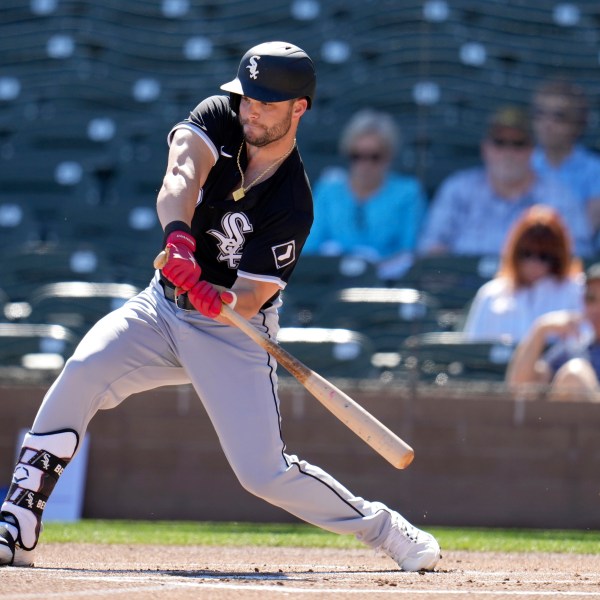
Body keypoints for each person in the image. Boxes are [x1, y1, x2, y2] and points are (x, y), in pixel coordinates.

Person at [0, 42, 440, 571]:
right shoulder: (220, 115)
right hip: (161, 307)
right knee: (84, 368)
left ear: (299, 108)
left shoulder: (293, 202)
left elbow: (253, 295)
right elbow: (180, 175)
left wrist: (221, 298)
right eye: (248, 97)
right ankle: (18, 518)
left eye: (267, 103)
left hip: (233, 330)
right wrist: (180, 239)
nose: (250, 110)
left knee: (263, 474)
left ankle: (385, 529)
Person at [417, 105, 593, 258]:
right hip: (461, 293)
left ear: (532, 150)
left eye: (518, 144)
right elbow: (429, 250)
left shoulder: (558, 196)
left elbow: (578, 256)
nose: (508, 153)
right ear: (485, 148)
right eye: (499, 143)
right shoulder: (458, 190)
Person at [302, 108, 427, 280]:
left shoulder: (408, 192)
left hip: (386, 285)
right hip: (331, 282)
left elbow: (409, 250)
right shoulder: (328, 190)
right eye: (357, 156)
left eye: (374, 157)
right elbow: (311, 247)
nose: (364, 164)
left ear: (389, 156)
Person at [463, 205, 584, 342]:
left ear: (558, 256)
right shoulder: (491, 294)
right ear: (514, 253)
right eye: (526, 253)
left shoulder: (577, 292)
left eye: (544, 256)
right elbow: (472, 350)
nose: (534, 263)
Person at [505, 262, 600, 402]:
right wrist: (540, 329)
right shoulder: (574, 349)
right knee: (573, 375)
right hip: (575, 423)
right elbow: (521, 391)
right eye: (590, 298)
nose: (596, 308)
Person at [531, 77, 600, 240]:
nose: (547, 124)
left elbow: (588, 229)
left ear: (577, 124)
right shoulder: (523, 164)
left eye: (558, 117)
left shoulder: (595, 171)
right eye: (540, 114)